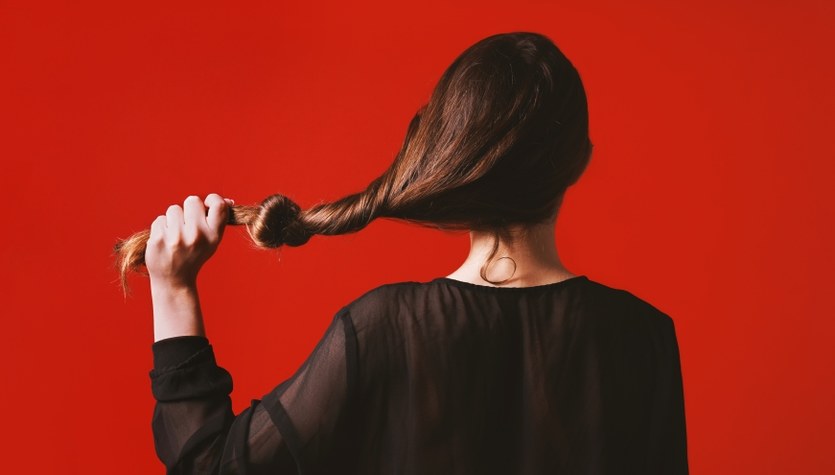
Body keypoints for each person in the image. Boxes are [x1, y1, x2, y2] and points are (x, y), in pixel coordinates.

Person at [116, 32, 688, 474]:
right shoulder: (645, 338)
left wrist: (173, 289)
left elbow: (210, 465)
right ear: (580, 163)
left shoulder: (383, 330)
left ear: (449, 160)